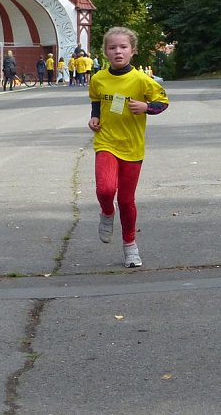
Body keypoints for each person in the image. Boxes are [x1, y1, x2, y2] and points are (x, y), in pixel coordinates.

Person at [88, 26, 169, 268]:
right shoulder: (98, 78)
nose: (118, 51)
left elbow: (163, 102)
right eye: (112, 48)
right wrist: (95, 117)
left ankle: (130, 246)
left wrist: (147, 108)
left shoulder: (142, 80)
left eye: (123, 47)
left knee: (125, 200)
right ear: (105, 52)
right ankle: (106, 213)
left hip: (132, 147)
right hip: (106, 142)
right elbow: (96, 100)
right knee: (105, 190)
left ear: (133, 51)